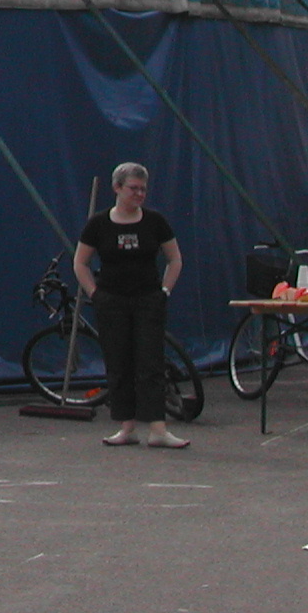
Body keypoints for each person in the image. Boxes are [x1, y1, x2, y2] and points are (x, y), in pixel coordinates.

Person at [74, 161, 187, 448]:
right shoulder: (98, 224)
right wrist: (95, 293)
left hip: (148, 300)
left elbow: (175, 259)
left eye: (143, 189)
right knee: (118, 362)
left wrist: (165, 291)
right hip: (112, 302)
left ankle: (158, 429)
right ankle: (127, 427)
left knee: (150, 362)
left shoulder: (155, 221)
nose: (139, 194)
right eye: (133, 188)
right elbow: (80, 262)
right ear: (117, 188)